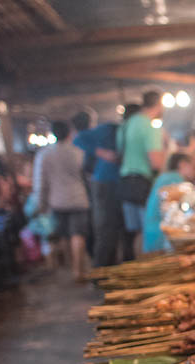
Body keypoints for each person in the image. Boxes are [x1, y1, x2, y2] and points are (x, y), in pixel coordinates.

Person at [38, 120, 90, 281]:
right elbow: (87, 176)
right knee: (78, 235)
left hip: (57, 201)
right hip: (79, 199)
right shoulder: (78, 152)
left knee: (64, 235)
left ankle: (68, 266)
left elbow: (41, 182)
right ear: (69, 133)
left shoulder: (45, 155)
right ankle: (78, 269)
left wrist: (41, 203)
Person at [74, 108, 125, 267]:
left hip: (110, 183)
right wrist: (102, 153)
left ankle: (110, 268)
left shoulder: (114, 130)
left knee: (113, 228)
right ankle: (100, 272)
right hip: (105, 184)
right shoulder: (109, 129)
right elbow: (79, 139)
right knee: (106, 229)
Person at [117, 90, 165, 260]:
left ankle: (139, 265)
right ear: (159, 104)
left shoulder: (126, 125)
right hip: (141, 183)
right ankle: (149, 265)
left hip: (124, 181)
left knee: (136, 230)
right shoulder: (149, 125)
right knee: (149, 227)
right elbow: (156, 162)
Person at [143, 152, 195, 253]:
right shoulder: (175, 179)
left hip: (152, 231)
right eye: (194, 167)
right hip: (161, 234)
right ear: (182, 164)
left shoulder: (166, 177)